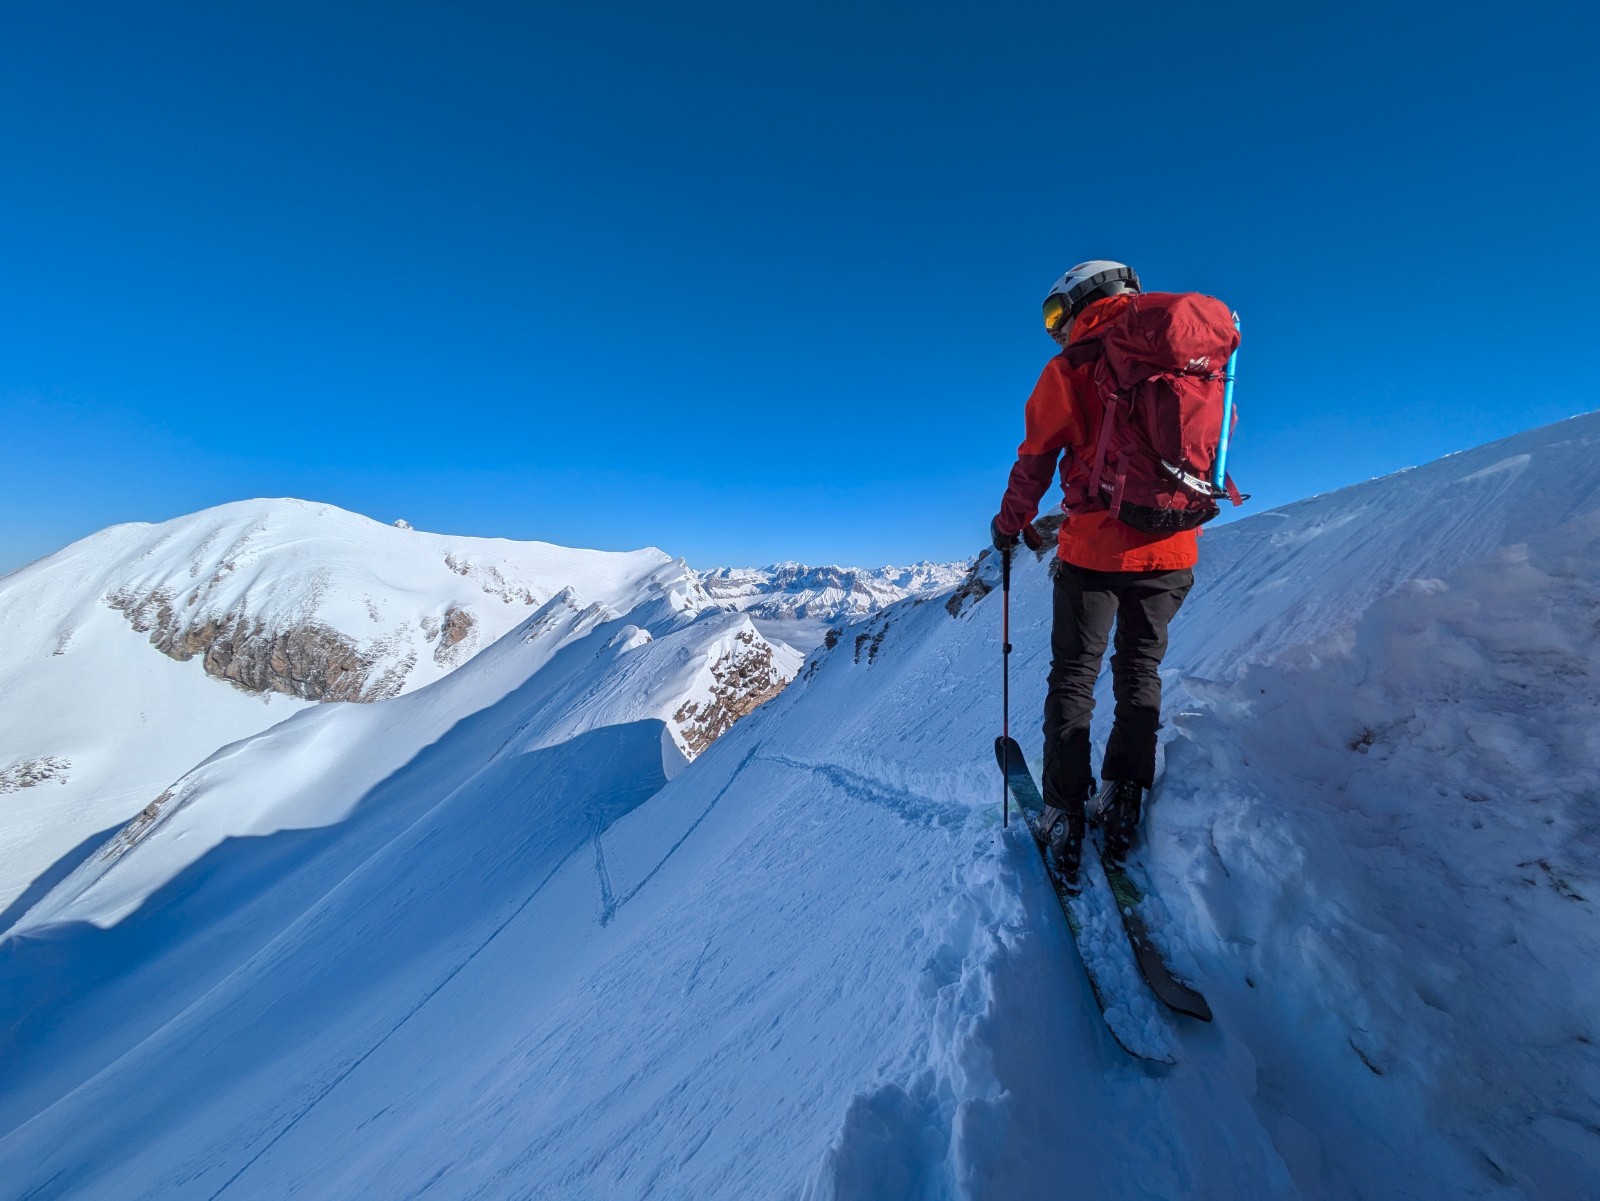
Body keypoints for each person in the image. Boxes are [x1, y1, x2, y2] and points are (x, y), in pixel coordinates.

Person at [989, 261, 1198, 889]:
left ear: (1084, 300)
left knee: (1074, 674)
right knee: (1140, 669)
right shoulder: (1189, 359)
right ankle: (1125, 795)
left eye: (1058, 314)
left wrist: (1007, 526)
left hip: (1096, 552)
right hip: (1175, 548)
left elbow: (1035, 461)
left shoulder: (1071, 368)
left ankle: (1065, 811)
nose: (1055, 330)